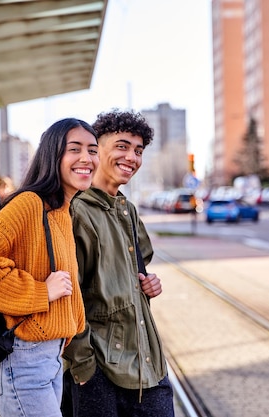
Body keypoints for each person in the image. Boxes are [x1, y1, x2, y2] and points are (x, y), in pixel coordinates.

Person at [0, 118, 99, 417]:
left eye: (93, 150)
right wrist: (41, 291)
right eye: (75, 149)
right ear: (52, 155)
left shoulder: (61, 211)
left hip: (48, 356)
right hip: (23, 359)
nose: (87, 158)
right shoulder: (29, 204)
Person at [62, 109, 175, 417]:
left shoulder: (128, 210)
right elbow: (68, 297)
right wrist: (85, 368)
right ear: (96, 150)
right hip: (100, 370)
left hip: (147, 363)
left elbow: (133, 274)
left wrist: (148, 283)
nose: (132, 157)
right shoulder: (77, 212)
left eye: (138, 151)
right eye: (122, 146)